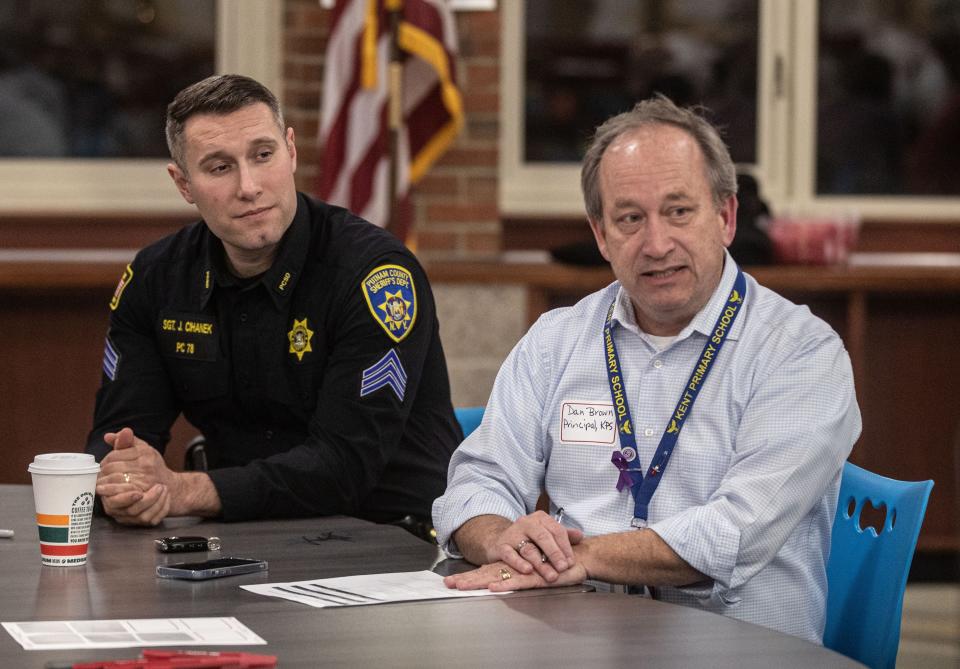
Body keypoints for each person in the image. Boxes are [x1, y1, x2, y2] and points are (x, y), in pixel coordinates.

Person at [433, 95, 861, 642]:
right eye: (630, 219)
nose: (657, 244)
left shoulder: (800, 354)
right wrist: (499, 538)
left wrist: (579, 556)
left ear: (726, 217)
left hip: (737, 652)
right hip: (574, 644)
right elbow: (476, 481)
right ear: (600, 235)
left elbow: (735, 532)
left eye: (679, 212)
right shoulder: (555, 342)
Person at [86, 74, 461, 538]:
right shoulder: (156, 279)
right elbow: (117, 438)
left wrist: (183, 491)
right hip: (243, 536)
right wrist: (126, 485)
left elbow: (345, 466)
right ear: (183, 183)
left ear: (291, 151)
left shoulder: (374, 275)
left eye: (263, 156)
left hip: (389, 539)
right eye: (219, 167)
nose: (249, 186)